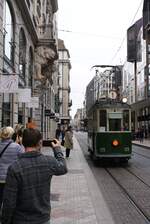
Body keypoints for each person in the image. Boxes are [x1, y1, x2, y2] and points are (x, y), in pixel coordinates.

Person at [2, 128, 67, 224]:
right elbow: (63, 168)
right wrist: (57, 149)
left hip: (20, 219)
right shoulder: (48, 162)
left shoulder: (14, 167)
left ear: (22, 142)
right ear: (40, 143)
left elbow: (9, 202)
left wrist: (5, 221)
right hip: (42, 218)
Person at [0, 127, 24, 212]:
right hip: (11, 178)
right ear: (11, 135)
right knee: (10, 200)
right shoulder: (16, 147)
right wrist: (20, 144)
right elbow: (23, 159)